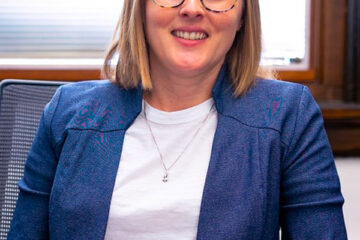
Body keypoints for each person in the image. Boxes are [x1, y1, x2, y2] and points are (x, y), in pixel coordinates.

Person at [8, 0, 347, 239]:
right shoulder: (67, 112)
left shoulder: (289, 115)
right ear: (139, 9)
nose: (192, 8)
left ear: (243, 15)